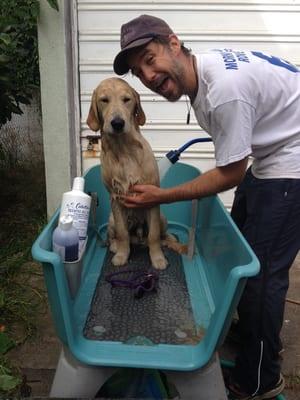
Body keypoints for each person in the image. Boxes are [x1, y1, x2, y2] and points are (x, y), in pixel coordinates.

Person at [113, 14, 300, 400]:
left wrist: (159, 196)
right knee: (242, 251)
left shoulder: (224, 90)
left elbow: (230, 174)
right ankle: (245, 327)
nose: (147, 76)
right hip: (273, 153)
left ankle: (261, 380)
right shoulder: (204, 75)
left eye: (150, 59)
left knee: (262, 275)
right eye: (138, 71)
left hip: (293, 161)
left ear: (174, 44)